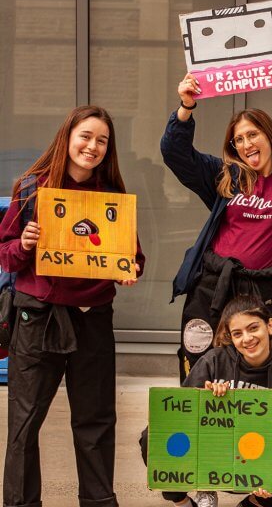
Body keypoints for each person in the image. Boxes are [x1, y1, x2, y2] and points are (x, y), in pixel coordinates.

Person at [0, 105, 145, 507]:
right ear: (68, 137)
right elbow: (6, 255)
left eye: (102, 140)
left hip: (93, 320)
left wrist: (129, 270)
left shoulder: (113, 198)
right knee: (24, 426)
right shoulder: (31, 189)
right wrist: (25, 244)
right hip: (37, 319)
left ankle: (99, 502)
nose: (93, 146)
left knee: (96, 422)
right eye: (86, 136)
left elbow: (133, 258)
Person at [161, 55, 272, 381]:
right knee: (200, 376)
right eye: (238, 139)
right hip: (211, 289)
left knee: (262, 378)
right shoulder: (226, 177)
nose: (246, 143)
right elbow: (174, 152)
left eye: (252, 135)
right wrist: (185, 106)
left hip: (261, 291)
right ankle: (202, 433)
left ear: (268, 135)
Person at [140, 295, 272, 507]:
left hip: (255, 462)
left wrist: (266, 473)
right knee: (153, 437)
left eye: (253, 328)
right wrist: (204, 396)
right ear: (231, 337)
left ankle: (254, 503)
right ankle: (185, 500)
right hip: (213, 458)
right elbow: (179, 419)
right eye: (237, 334)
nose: (247, 339)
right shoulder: (214, 361)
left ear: (270, 325)